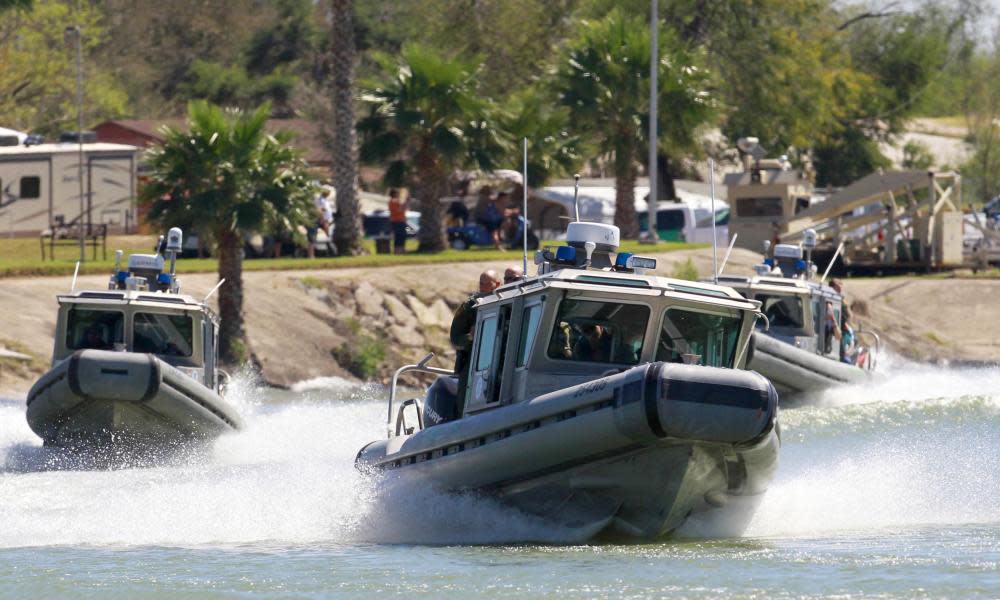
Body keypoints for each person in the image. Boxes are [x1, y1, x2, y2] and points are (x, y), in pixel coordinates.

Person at [450, 270, 502, 403]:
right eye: (481, 283)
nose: (482, 287)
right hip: (471, 363)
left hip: (498, 363)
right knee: (465, 400)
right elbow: (455, 338)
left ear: (497, 284)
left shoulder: (507, 301)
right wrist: (470, 337)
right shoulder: (470, 307)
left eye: (486, 283)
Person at [388, 188, 408, 255]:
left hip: (401, 221)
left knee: (402, 236)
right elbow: (398, 210)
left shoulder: (397, 201)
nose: (398, 194)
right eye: (397, 193)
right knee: (398, 236)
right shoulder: (393, 201)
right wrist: (403, 205)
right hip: (397, 221)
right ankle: (397, 251)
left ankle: (401, 250)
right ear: (394, 194)